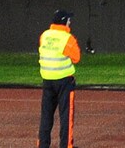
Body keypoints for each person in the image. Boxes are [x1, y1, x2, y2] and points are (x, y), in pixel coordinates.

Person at [36, 9, 82, 148]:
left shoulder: (44, 35)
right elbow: (76, 58)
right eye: (68, 20)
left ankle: (42, 145)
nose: (70, 22)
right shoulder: (67, 38)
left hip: (47, 80)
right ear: (64, 22)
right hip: (64, 81)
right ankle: (66, 145)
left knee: (46, 117)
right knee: (66, 117)